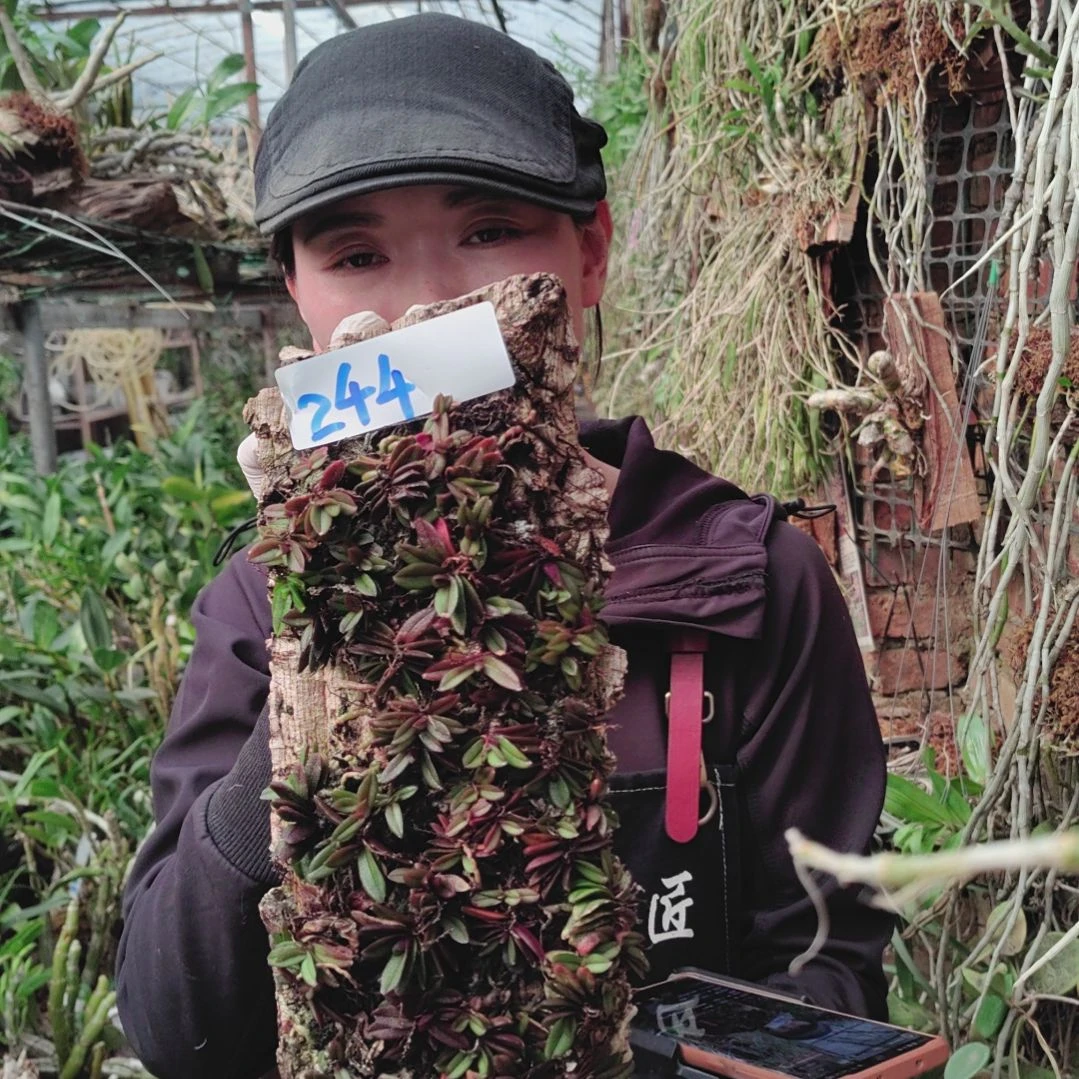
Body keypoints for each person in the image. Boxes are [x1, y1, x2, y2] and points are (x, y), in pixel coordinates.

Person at [115, 14, 891, 1079]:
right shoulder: (258, 608)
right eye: (355, 252)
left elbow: (825, 962)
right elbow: (182, 1031)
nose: (429, 300)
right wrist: (321, 685)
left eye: (488, 229)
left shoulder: (751, 578)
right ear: (296, 294)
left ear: (590, 251)